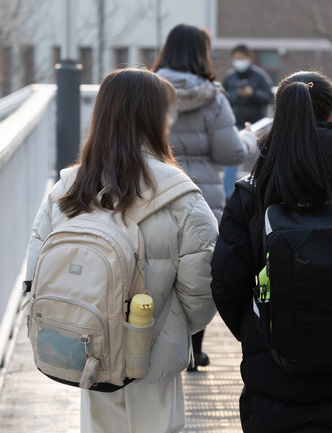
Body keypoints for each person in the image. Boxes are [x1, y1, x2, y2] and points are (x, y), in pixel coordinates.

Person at [211, 71, 332, 432]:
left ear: (280, 116)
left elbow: (226, 283)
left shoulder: (252, 190)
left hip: (274, 374)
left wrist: (260, 329)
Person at [26, 68, 219, 433]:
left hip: (88, 348)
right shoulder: (181, 195)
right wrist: (172, 330)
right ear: (155, 117)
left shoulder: (67, 189)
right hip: (153, 354)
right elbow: (204, 284)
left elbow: (36, 268)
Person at [154, 24, 257, 370]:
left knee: (156, 262)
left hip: (153, 188)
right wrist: (248, 139)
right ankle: (194, 350)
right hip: (199, 193)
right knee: (197, 267)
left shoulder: (147, 92)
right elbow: (230, 154)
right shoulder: (213, 97)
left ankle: (154, 341)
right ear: (202, 54)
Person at [222, 44, 274, 198]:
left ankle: (260, 194)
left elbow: (269, 98)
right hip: (235, 126)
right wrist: (238, 95)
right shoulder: (229, 77)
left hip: (257, 127)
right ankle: (229, 196)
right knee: (230, 165)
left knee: (258, 164)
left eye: (242, 58)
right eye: (236, 58)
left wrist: (252, 94)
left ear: (249, 58)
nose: (239, 61)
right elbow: (223, 99)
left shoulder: (260, 76)